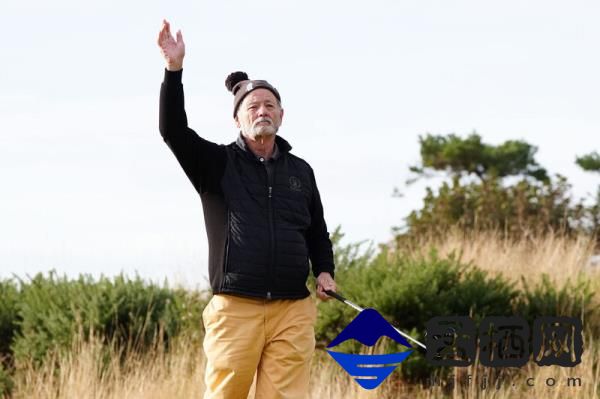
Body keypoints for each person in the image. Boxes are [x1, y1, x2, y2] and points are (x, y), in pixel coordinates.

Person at [156, 19, 337, 399]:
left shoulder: (301, 171)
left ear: (282, 116)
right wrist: (174, 70)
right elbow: (173, 130)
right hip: (235, 307)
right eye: (252, 106)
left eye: (270, 105)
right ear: (237, 119)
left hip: (293, 309)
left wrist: (324, 271)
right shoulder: (215, 164)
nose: (262, 111)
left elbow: (317, 231)